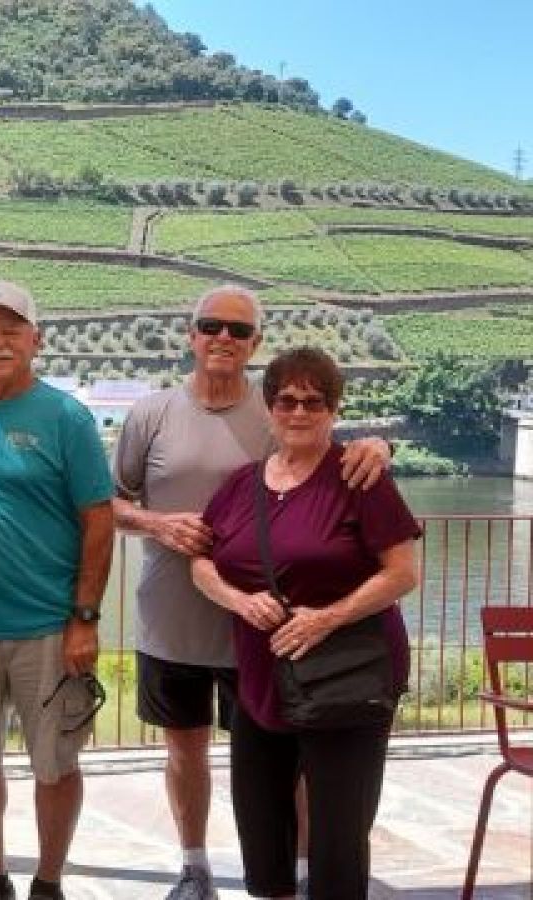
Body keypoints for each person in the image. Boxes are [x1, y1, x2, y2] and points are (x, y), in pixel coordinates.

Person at [111, 285, 390, 900]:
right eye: (212, 326)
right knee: (185, 750)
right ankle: (195, 868)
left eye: (239, 331)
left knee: (282, 762)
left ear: (255, 344)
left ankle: (295, 871)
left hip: (263, 631)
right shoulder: (150, 414)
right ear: (191, 334)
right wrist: (158, 524)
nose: (224, 339)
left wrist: (380, 445)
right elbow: (109, 503)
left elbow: (325, 452)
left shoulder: (271, 414)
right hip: (172, 618)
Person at [191, 346, 419, 900]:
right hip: (261, 677)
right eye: (287, 400)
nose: (298, 412)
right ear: (269, 408)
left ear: (333, 409)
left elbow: (403, 572)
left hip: (346, 674)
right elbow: (201, 561)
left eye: (313, 401)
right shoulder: (240, 486)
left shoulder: (360, 478)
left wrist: (326, 619)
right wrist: (239, 601)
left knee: (340, 832)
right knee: (260, 820)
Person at [0, 282, 115, 900]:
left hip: (48, 626)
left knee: (56, 764)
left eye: (10, 331)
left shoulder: (66, 417)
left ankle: (48, 881)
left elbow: (99, 518)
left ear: (36, 340)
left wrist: (85, 617)